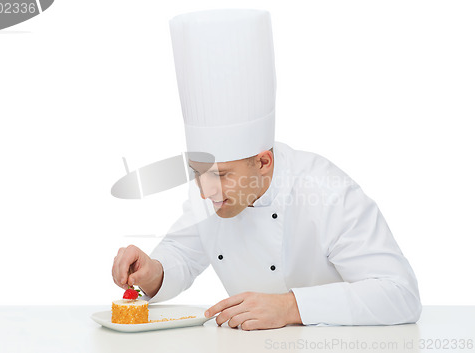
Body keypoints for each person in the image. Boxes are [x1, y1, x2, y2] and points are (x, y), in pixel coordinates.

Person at [111, 9, 421, 330]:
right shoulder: (209, 189)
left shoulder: (325, 191)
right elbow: (183, 253)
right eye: (197, 172)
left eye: (221, 174)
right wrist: (153, 272)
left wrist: (290, 307)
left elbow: (400, 293)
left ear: (262, 161)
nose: (205, 191)